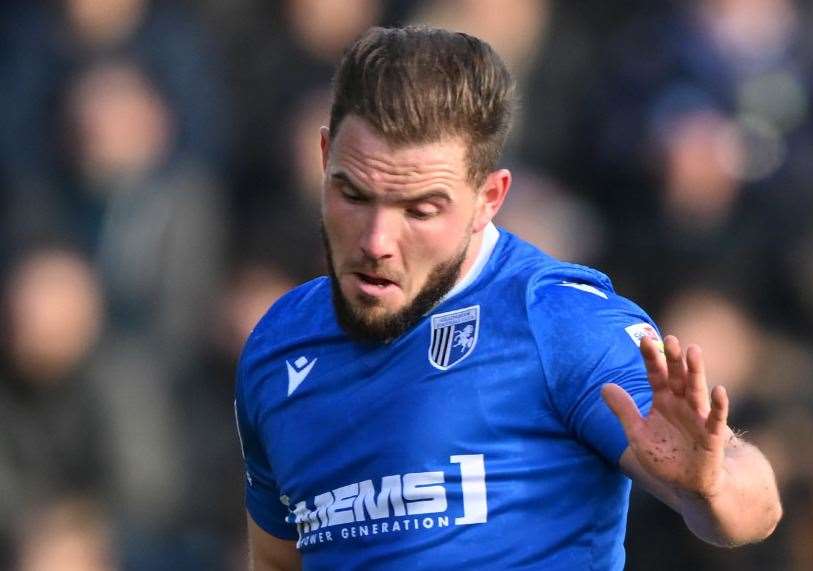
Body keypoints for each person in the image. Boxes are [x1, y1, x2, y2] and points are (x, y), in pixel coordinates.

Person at [234, 25, 782, 570]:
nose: (376, 241)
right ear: (326, 156)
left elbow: (756, 503)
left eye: (420, 210)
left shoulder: (557, 322)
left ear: (488, 198)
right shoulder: (279, 346)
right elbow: (279, 560)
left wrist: (708, 486)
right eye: (352, 194)